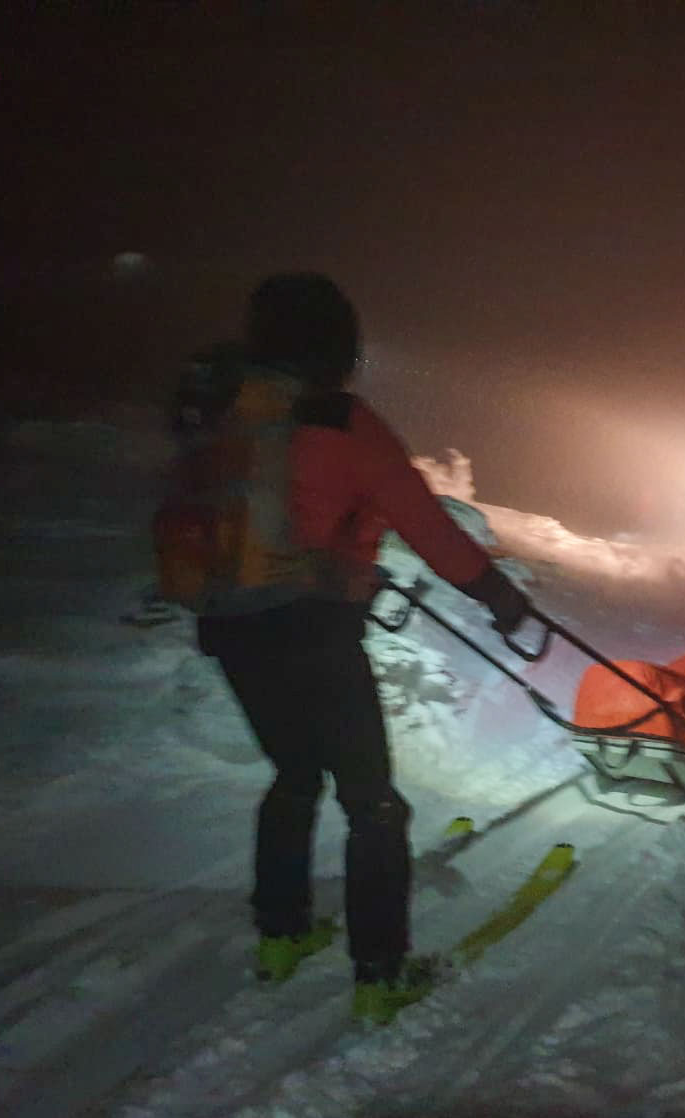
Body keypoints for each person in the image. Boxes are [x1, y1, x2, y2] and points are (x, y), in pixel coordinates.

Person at [196, 272, 529, 1024]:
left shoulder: (227, 416)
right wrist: (497, 594)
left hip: (231, 625)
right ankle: (381, 976)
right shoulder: (344, 422)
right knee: (372, 803)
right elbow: (426, 524)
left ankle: (281, 935)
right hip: (313, 629)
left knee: (293, 774)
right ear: (337, 345)